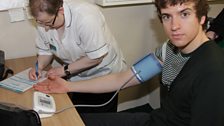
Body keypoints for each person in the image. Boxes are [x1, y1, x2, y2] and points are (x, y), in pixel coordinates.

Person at [33, 0, 224, 125]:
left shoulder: (213, 71)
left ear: (202, 19)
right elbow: (122, 78)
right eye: (167, 16)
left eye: (184, 14)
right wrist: (67, 86)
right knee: (75, 121)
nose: (174, 26)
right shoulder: (169, 50)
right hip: (156, 120)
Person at [28, 0, 127, 113]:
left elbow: (95, 57)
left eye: (49, 22)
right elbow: (46, 51)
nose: (45, 27)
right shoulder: (43, 20)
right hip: (76, 76)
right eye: (41, 22)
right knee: (78, 115)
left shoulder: (86, 17)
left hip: (103, 75)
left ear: (60, 10)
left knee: (101, 117)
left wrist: (64, 70)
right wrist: (38, 67)